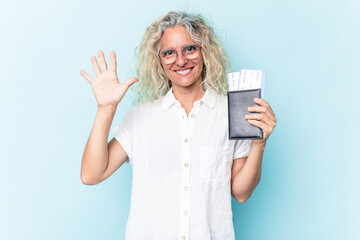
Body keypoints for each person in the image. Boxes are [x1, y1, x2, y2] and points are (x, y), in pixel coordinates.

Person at [79, 11, 276, 240]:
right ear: (159, 60)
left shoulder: (231, 113)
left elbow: (241, 192)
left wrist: (259, 144)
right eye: (169, 53)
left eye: (190, 48)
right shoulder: (139, 118)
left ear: (205, 51)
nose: (180, 60)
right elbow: (91, 175)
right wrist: (106, 109)